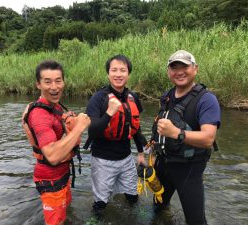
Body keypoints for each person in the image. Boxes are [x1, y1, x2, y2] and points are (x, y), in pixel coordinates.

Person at [151, 50, 221, 225]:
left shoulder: (207, 100)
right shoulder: (167, 96)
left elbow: (208, 139)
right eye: (174, 68)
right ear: (168, 72)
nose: (179, 72)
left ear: (195, 69)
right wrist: (152, 149)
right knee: (158, 209)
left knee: (196, 221)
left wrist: (176, 133)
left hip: (188, 170)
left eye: (185, 67)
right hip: (163, 165)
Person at [22, 60, 91, 225]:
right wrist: (79, 127)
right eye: (47, 82)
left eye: (58, 80)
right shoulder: (39, 115)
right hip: (50, 181)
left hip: (62, 175)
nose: (54, 87)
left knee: (65, 214)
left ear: (63, 82)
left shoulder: (54, 105)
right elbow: (52, 156)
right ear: (38, 84)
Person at [85, 54, 147, 212]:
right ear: (108, 74)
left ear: (128, 74)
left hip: (126, 158)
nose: (118, 74)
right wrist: (109, 113)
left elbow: (136, 128)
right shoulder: (98, 98)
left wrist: (140, 153)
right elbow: (92, 131)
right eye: (114, 70)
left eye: (122, 70)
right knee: (101, 204)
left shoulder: (133, 97)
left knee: (133, 197)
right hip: (102, 160)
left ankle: (136, 219)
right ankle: (94, 222)